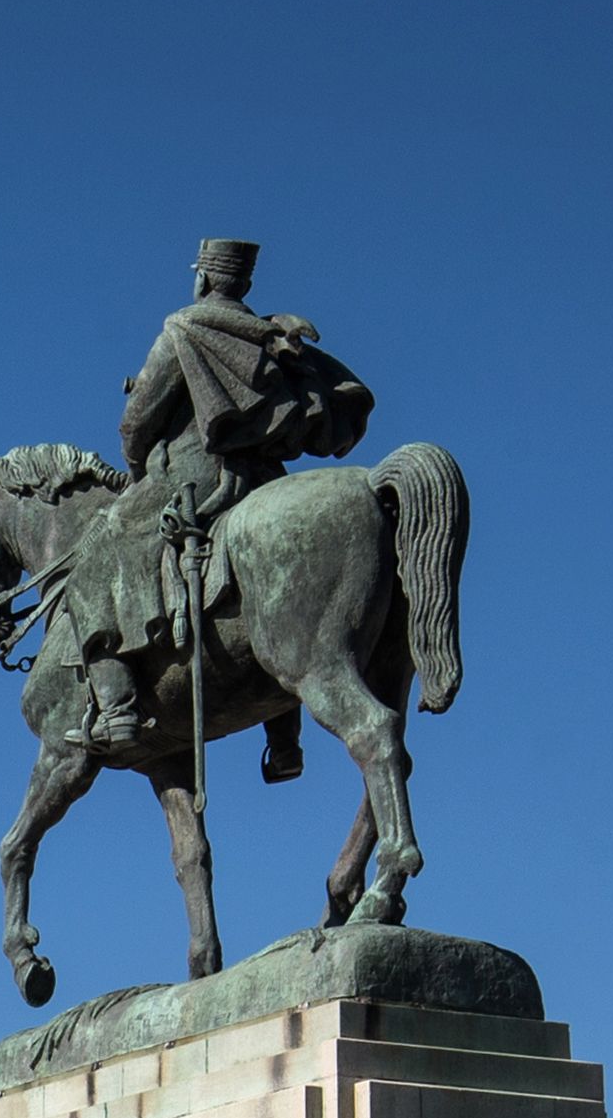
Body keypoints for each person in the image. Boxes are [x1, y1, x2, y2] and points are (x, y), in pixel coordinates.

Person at [54, 238, 374, 752]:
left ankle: (116, 711)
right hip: (266, 479)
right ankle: (284, 733)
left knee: (94, 563)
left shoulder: (184, 329)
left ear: (202, 279)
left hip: (192, 478)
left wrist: (137, 467)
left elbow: (136, 422)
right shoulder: (269, 338)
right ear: (242, 285)